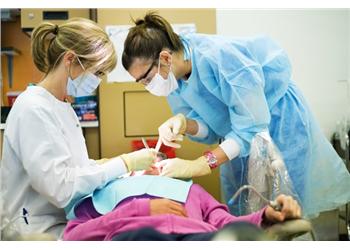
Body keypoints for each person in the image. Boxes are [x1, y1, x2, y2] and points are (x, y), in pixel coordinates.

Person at [121, 12, 350, 217]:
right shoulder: (174, 81)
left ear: (165, 58)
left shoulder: (219, 58)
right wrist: (184, 123)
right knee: (245, 211)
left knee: (290, 205)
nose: (147, 86)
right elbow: (211, 129)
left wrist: (200, 164)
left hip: (278, 123)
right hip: (237, 136)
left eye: (146, 79)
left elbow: (251, 127)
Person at [0, 18, 157, 239]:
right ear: (70, 59)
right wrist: (124, 163)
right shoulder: (33, 109)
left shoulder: (63, 106)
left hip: (66, 219)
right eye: (98, 72)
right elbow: (61, 188)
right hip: (35, 230)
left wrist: (128, 170)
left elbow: (77, 168)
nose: (99, 81)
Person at [63, 168, 301, 241]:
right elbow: (73, 236)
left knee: (244, 236)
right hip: (134, 235)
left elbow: (227, 223)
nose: (155, 162)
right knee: (146, 237)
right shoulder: (107, 190)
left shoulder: (192, 190)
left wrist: (266, 216)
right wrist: (140, 209)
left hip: (197, 237)